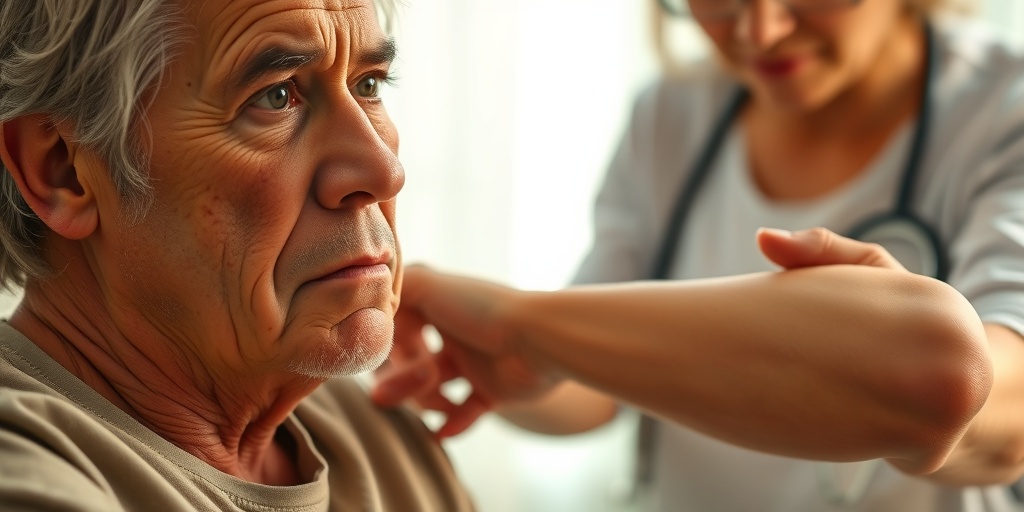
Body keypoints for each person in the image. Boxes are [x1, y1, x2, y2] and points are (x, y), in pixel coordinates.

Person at [372, 0, 1024, 510]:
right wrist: (499, 361)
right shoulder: (672, 119)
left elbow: (992, 404)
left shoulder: (1001, 115)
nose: (761, 28)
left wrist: (523, 327)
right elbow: (589, 387)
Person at [0, 0, 474, 510]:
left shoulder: (382, 432)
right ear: (62, 171)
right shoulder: (29, 473)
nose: (384, 172)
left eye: (369, 85)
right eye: (275, 96)